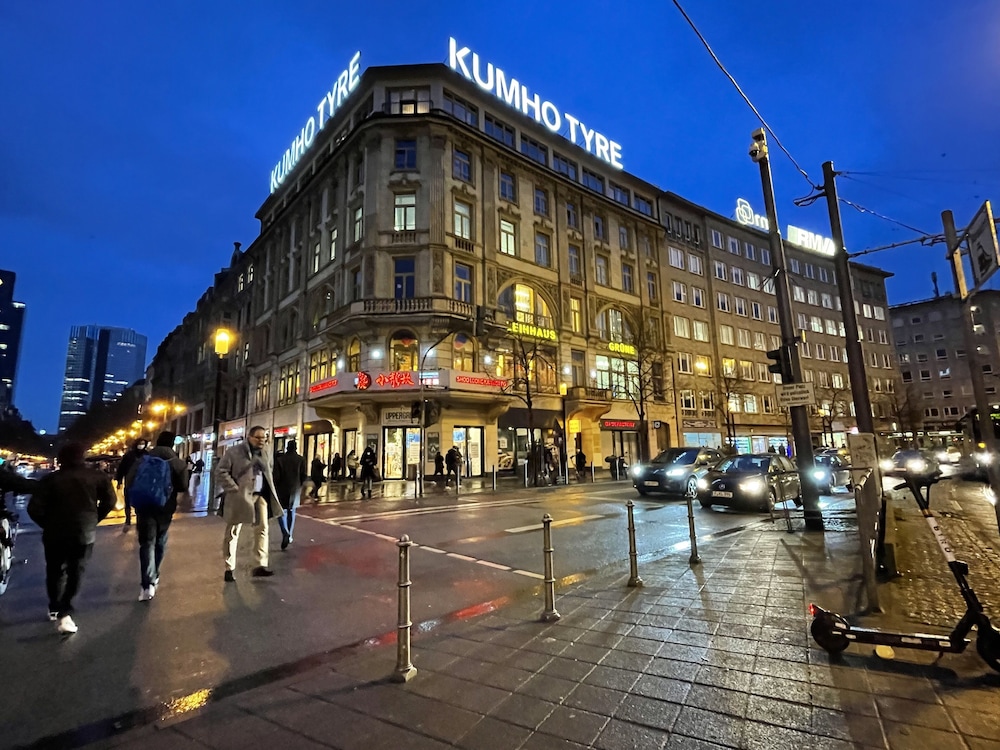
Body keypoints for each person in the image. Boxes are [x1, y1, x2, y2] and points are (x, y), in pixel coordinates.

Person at [26, 442, 115, 634]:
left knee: (55, 570)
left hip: (54, 533)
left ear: (61, 459)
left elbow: (34, 509)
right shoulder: (97, 477)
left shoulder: (50, 480)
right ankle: (65, 610)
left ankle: (54, 606)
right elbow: (110, 501)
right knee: (77, 571)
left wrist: (47, 524)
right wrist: (95, 518)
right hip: (84, 531)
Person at [215, 426, 282, 581]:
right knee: (233, 531)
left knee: (262, 528)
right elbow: (220, 471)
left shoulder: (266, 451)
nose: (261, 441)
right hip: (240, 496)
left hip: (260, 494)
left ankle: (259, 564)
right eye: (258, 437)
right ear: (249, 437)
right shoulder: (234, 452)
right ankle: (229, 567)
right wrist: (234, 488)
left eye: (264, 437)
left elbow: (269, 470)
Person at [128, 431, 187, 602]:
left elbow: (130, 481)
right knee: (160, 540)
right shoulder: (177, 463)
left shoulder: (142, 460)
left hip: (144, 505)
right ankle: (155, 575)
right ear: (172, 444)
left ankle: (147, 585)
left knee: (147, 543)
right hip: (165, 507)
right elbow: (183, 486)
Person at [274, 440, 307, 549]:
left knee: (280, 512)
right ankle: (290, 534)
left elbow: (276, 477)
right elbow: (303, 475)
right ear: (296, 448)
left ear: (287, 447)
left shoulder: (280, 460)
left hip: (282, 489)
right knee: (292, 511)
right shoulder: (301, 460)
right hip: (295, 489)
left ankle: (285, 532)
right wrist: (299, 485)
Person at [114, 438, 148, 528]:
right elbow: (122, 468)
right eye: (140, 443)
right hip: (130, 481)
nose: (141, 445)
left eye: (143, 443)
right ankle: (128, 519)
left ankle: (139, 518)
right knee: (128, 501)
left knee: (140, 502)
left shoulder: (147, 455)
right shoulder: (129, 455)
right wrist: (119, 481)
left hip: (142, 482)